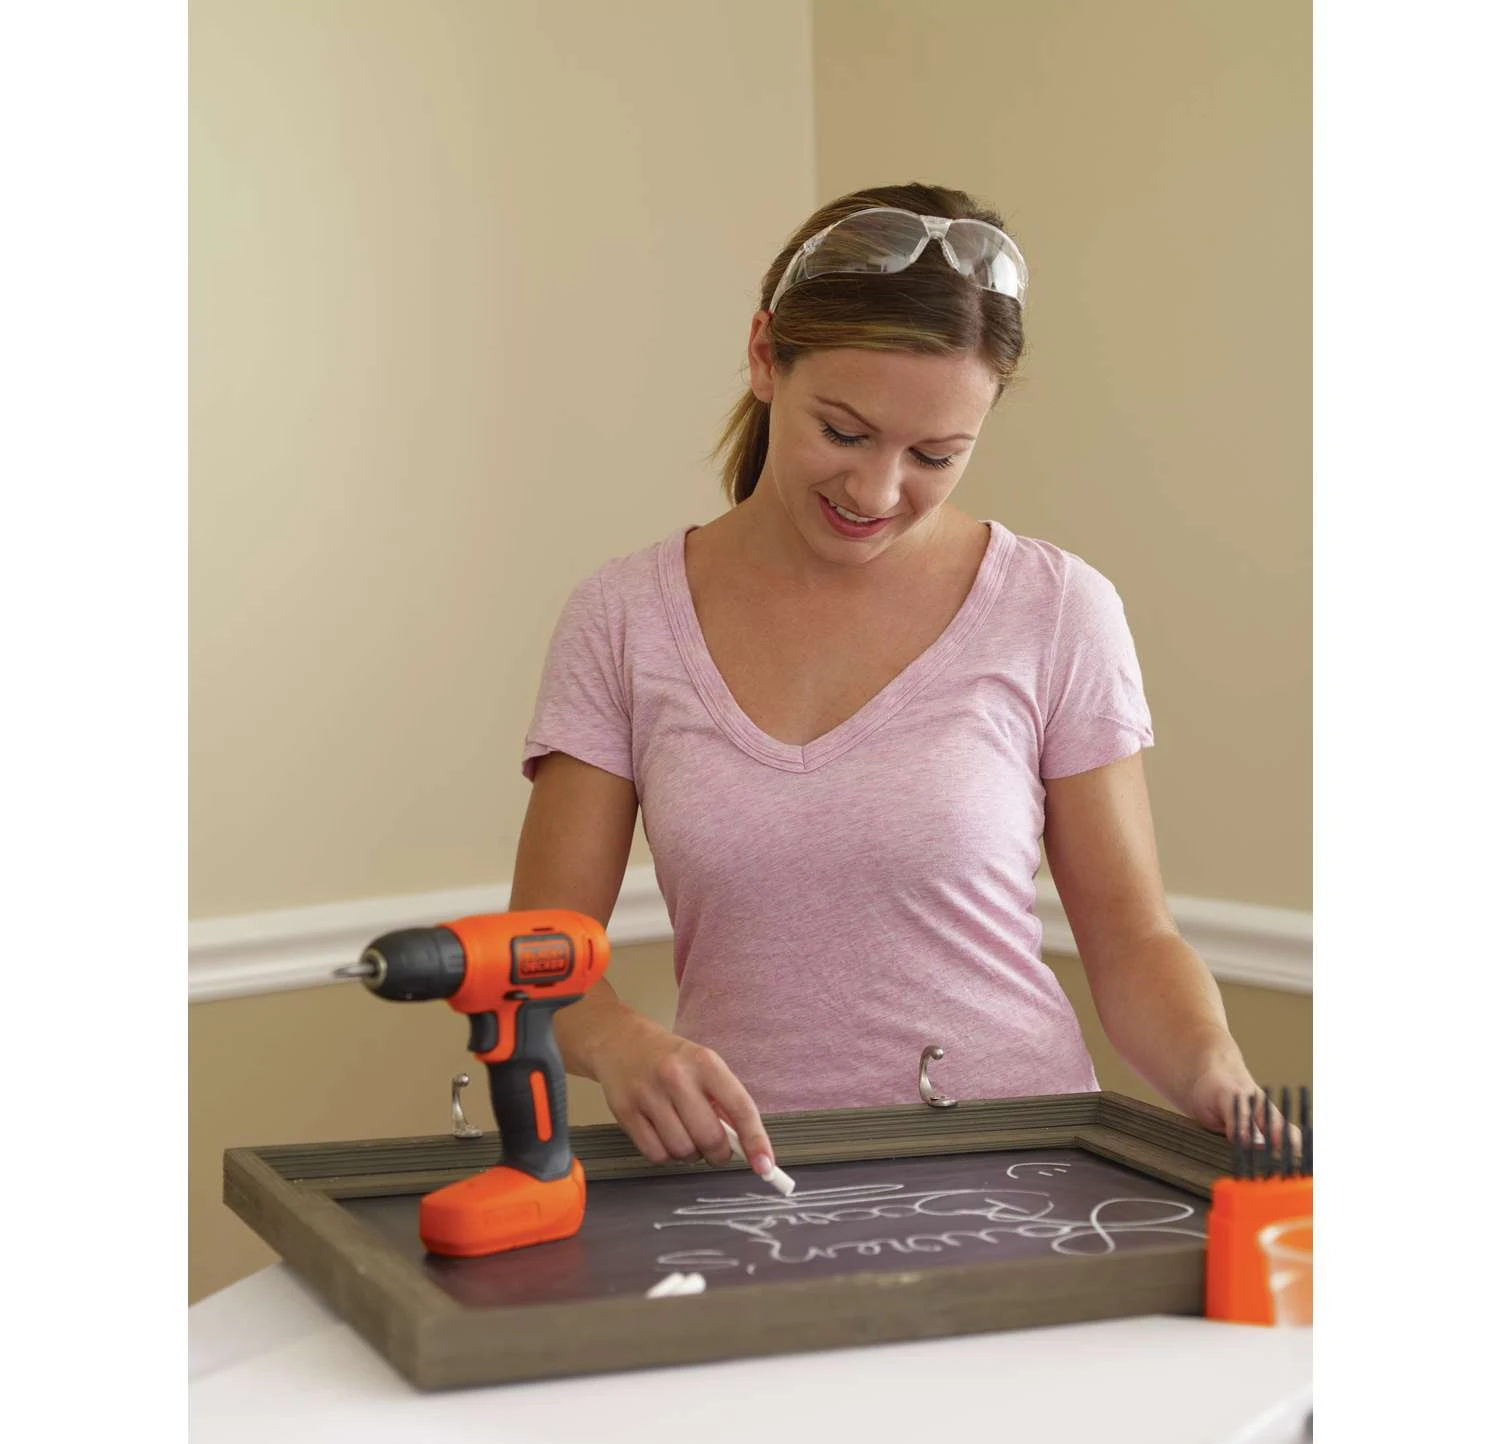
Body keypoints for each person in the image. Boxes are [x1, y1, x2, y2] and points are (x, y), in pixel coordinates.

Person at [509, 182, 1278, 1181]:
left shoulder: (1057, 609)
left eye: (936, 455)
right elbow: (538, 953)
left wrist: (1215, 1071)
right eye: (843, 432)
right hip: (752, 1183)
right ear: (764, 357)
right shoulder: (623, 619)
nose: (876, 491)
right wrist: (619, 1042)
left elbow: (1132, 945)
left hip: (1023, 1172)